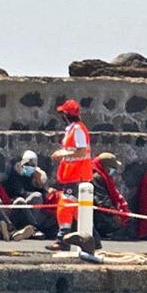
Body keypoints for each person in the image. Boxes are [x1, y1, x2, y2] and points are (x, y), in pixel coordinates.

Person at [49, 99, 97, 252]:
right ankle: (95, 241)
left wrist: (63, 154)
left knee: (65, 206)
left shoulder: (77, 130)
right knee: (78, 211)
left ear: (66, 115)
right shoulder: (73, 129)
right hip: (73, 175)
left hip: (77, 176)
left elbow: (81, 151)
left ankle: (62, 240)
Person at [2, 150, 54, 239]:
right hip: (16, 208)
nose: (29, 167)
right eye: (27, 164)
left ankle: (28, 230)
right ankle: (34, 228)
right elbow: (20, 193)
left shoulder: (35, 176)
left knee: (40, 200)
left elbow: (43, 194)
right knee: (28, 199)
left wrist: (39, 182)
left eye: (32, 165)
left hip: (31, 211)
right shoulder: (15, 175)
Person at [92, 153, 130, 240]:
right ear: (105, 166)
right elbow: (101, 199)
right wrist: (114, 213)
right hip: (99, 213)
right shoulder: (97, 177)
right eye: (112, 168)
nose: (113, 170)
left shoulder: (105, 177)